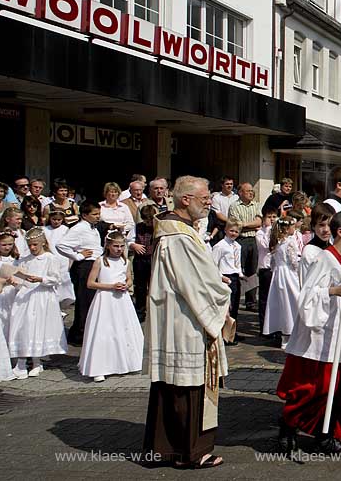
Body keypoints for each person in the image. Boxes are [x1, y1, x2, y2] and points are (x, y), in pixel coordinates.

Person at [143, 176, 230, 470]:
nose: (209, 202)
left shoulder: (176, 230)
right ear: (185, 200)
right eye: (205, 198)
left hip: (178, 315)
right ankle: (191, 452)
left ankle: (164, 449)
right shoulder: (178, 236)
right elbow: (196, 284)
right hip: (187, 320)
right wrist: (222, 290)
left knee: (172, 384)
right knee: (190, 384)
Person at [276, 210, 341, 454]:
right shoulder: (325, 258)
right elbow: (307, 296)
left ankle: (326, 434)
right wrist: (332, 291)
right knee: (317, 388)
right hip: (322, 336)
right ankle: (290, 427)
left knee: (337, 388)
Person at [78, 230, 144, 382]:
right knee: (104, 331)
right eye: (115, 246)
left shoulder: (125, 262)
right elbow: (91, 283)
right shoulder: (100, 261)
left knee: (122, 329)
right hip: (104, 300)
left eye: (121, 246)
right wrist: (111, 286)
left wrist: (126, 285)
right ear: (108, 245)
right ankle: (100, 367)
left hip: (122, 300)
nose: (119, 249)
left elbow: (128, 279)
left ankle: (125, 362)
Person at [8, 228, 67, 378]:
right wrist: (15, 282)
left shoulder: (49, 258)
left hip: (42, 296)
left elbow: (56, 279)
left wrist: (41, 279)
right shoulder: (25, 260)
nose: (32, 248)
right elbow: (21, 280)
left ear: (42, 243)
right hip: (26, 296)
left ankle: (36, 361)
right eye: (30, 245)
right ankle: (22, 362)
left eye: (35, 244)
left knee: (37, 327)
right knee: (22, 326)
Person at [57, 201, 103, 345]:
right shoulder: (79, 228)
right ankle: (79, 334)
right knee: (84, 300)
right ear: (84, 215)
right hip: (85, 266)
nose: (97, 216)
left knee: (91, 300)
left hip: (94, 263)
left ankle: (85, 330)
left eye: (98, 213)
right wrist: (78, 256)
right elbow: (61, 245)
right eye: (94, 214)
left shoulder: (92, 228)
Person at [263, 216, 302, 349]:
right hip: (289, 276)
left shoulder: (278, 243)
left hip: (278, 275)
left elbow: (273, 263)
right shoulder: (290, 242)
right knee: (294, 302)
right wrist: (300, 273)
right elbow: (294, 262)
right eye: (293, 226)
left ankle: (285, 335)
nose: (294, 229)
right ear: (287, 228)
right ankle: (293, 333)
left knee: (282, 304)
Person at [228, 183, 262, 313]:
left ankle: (251, 301)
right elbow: (236, 225)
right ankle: (235, 299)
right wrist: (250, 225)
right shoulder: (234, 206)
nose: (251, 193)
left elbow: (259, 222)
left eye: (252, 191)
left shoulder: (256, 205)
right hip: (240, 240)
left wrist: (246, 224)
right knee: (239, 269)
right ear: (240, 192)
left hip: (253, 240)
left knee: (252, 271)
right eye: (248, 191)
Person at [212, 220, 243, 332]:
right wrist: (221, 277)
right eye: (231, 231)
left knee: (235, 305)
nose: (233, 233)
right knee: (227, 307)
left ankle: (232, 333)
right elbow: (213, 264)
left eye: (236, 232)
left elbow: (237, 262)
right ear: (225, 230)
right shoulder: (220, 246)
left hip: (235, 276)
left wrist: (240, 273)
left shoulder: (237, 246)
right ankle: (225, 333)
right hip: (225, 277)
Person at [42, 209, 73, 309]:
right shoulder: (45, 229)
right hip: (49, 258)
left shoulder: (65, 229)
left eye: (59, 220)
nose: (56, 221)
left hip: (63, 259)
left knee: (63, 281)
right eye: (54, 219)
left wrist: (71, 261)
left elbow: (70, 246)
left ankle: (62, 305)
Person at [132, 204, 157, 322]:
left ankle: (155, 311)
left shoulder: (159, 228)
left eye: (150, 220)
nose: (148, 223)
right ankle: (140, 311)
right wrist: (134, 245)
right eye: (146, 220)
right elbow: (129, 240)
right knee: (140, 286)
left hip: (154, 259)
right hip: (140, 259)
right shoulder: (137, 227)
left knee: (155, 286)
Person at [255, 209, 279, 332]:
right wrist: (270, 229)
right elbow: (267, 246)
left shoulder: (279, 232)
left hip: (276, 268)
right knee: (264, 299)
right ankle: (263, 326)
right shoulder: (260, 233)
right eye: (269, 216)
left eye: (274, 216)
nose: (272, 219)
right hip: (265, 267)